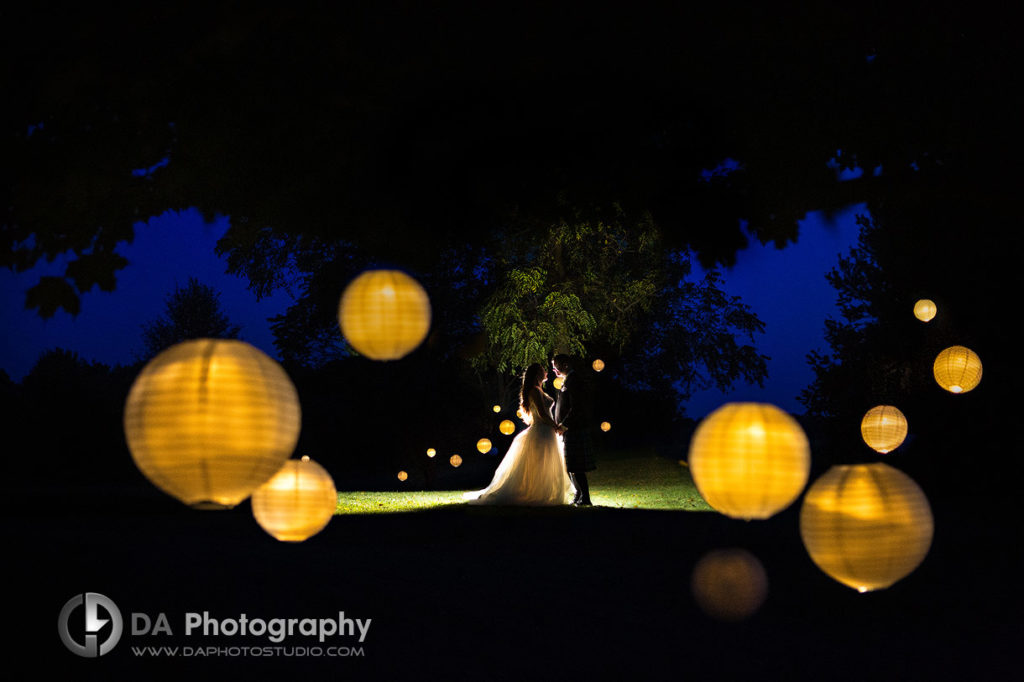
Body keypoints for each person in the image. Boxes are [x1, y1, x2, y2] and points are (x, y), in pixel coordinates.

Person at [464, 363, 575, 505]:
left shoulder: (538, 389)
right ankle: (539, 494)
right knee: (541, 464)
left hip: (545, 431)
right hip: (542, 431)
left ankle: (545, 492)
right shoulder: (534, 391)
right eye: (543, 371)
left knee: (545, 464)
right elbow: (541, 413)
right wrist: (556, 426)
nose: (546, 372)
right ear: (537, 374)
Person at [552, 354, 596, 506]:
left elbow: (576, 407)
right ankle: (579, 495)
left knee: (576, 465)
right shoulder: (568, 380)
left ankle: (586, 497)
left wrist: (564, 424)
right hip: (569, 430)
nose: (554, 369)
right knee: (571, 465)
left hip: (574, 428)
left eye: (555, 365)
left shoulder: (574, 380)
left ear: (565, 365)